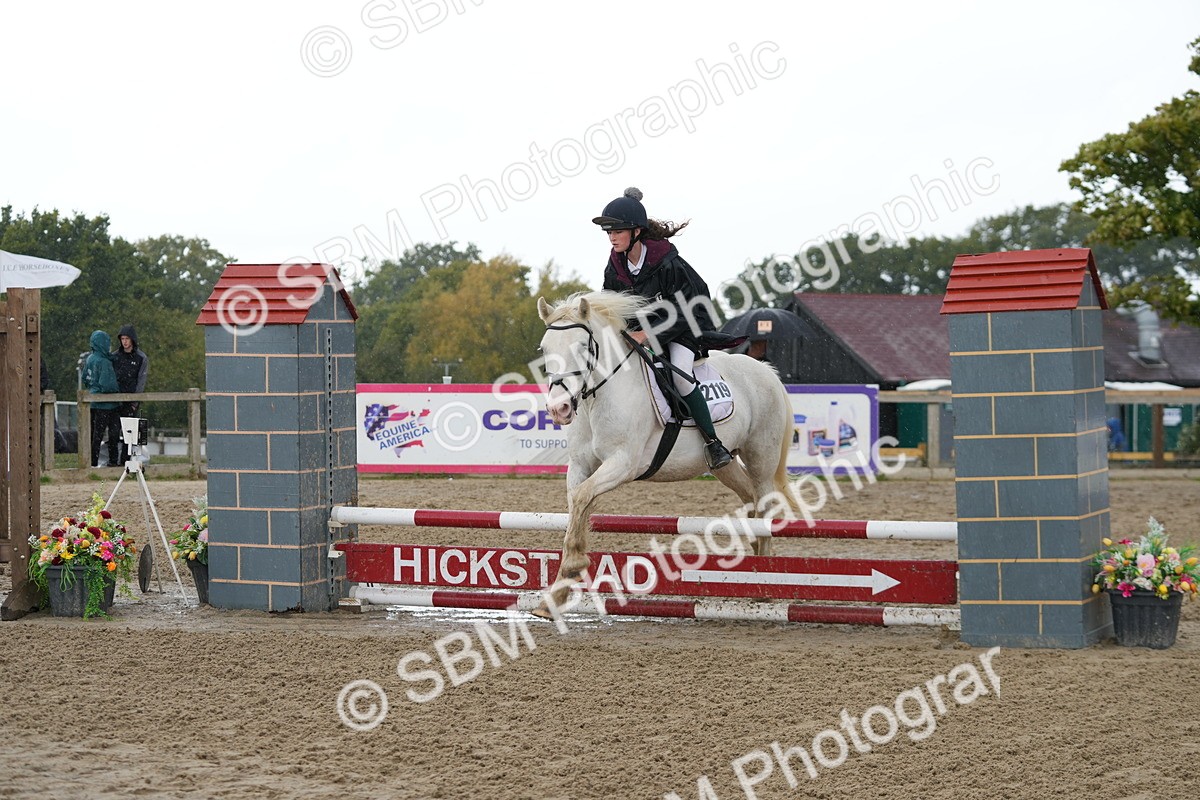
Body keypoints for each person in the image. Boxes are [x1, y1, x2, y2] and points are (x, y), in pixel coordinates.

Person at [593, 187, 738, 470]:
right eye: (608, 232)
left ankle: (713, 443)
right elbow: (611, 306)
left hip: (684, 328)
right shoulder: (614, 267)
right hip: (640, 333)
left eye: (617, 231)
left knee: (681, 377)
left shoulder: (667, 262)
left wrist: (649, 334)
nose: (611, 237)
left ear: (636, 231)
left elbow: (689, 309)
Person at [82, 330, 121, 468]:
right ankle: (113, 461)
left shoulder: (90, 359)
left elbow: (84, 378)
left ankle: (91, 461)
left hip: (93, 403)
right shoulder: (104, 362)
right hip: (107, 405)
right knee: (113, 434)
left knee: (94, 435)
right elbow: (108, 385)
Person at [111, 324, 149, 464]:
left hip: (131, 401)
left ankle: (125, 462)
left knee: (130, 435)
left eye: (127, 338)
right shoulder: (115, 356)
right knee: (114, 433)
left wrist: (135, 402)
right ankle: (113, 461)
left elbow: (141, 380)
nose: (125, 341)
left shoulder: (141, 358)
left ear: (132, 339)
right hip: (115, 401)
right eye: (122, 338)